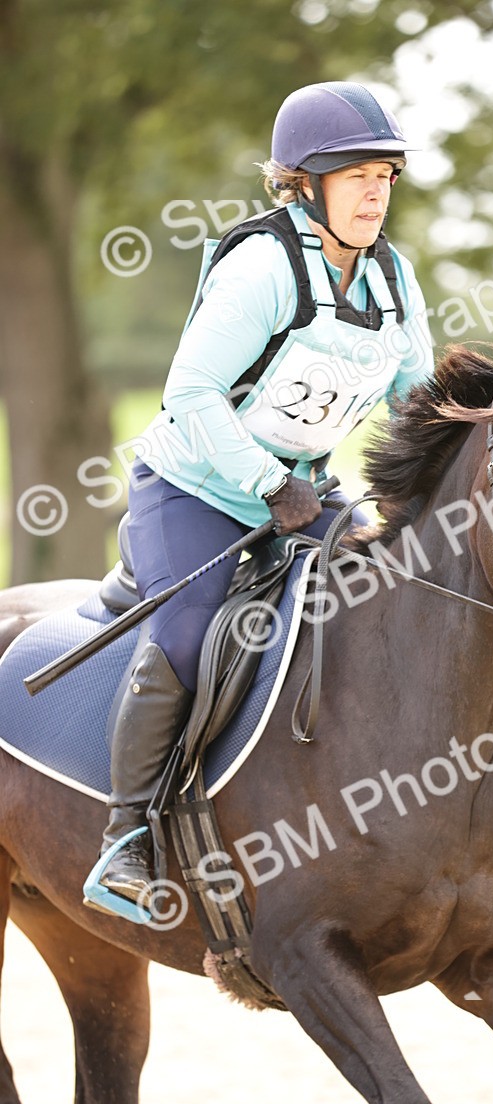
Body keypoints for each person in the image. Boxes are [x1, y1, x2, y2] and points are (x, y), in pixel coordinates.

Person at [94, 81, 434, 910]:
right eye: (356, 176)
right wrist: (269, 483)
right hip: (195, 490)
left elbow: (416, 404)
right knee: (188, 638)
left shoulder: (393, 278)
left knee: (396, 604)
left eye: (385, 177)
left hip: (307, 496)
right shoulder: (263, 266)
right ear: (305, 184)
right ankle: (125, 839)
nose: (375, 194)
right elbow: (191, 393)